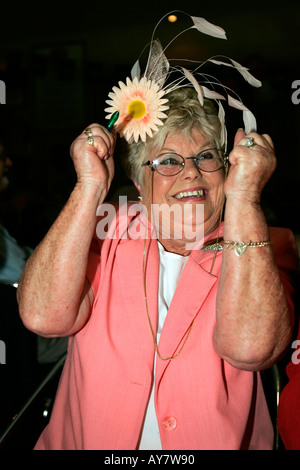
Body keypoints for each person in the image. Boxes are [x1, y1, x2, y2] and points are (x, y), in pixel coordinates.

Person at [17, 13, 298, 450]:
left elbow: (252, 348)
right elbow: (43, 317)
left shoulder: (262, 243)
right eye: (168, 161)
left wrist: (244, 199)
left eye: (207, 157)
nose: (191, 174)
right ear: (138, 180)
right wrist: (89, 186)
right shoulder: (105, 236)